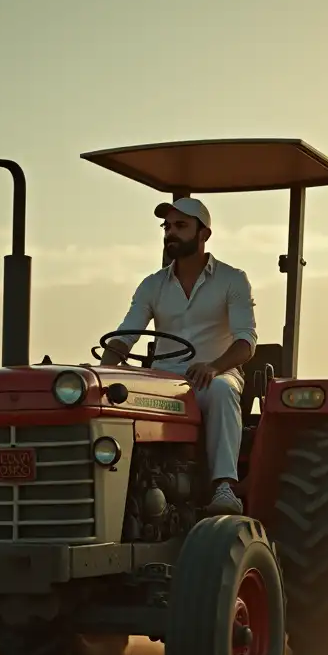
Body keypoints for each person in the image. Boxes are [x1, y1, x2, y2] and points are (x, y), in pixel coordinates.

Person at [99, 197, 257, 516]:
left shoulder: (232, 279)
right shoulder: (152, 285)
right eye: (167, 226)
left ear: (204, 234)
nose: (171, 233)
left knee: (223, 390)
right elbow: (125, 336)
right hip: (165, 383)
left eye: (181, 226)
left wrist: (214, 367)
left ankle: (224, 486)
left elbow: (247, 341)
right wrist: (100, 375)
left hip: (213, 377)